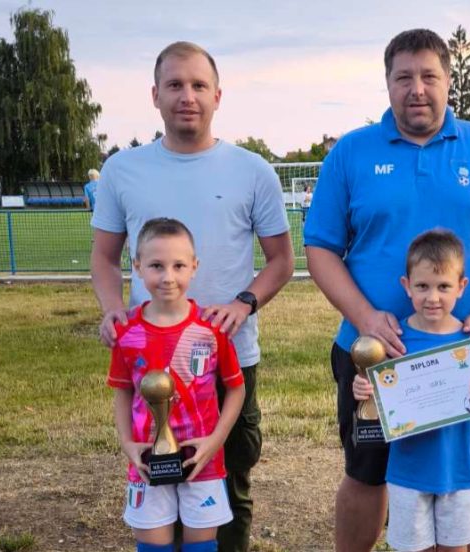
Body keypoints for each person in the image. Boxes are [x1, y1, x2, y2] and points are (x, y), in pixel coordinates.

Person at [303, 28, 470, 552]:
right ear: (387, 82)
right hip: (376, 352)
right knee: (366, 473)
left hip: (466, 350)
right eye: (403, 77)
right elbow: (320, 248)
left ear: (449, 81)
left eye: (429, 76)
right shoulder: (351, 152)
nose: (417, 89)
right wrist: (365, 318)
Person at [90, 41, 294, 552]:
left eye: (199, 85)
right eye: (175, 85)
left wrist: (244, 303)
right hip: (151, 359)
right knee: (158, 478)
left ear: (217, 96)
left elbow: (281, 261)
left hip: (226, 356)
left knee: (228, 483)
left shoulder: (252, 170)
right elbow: (104, 257)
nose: (188, 96)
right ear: (154, 95)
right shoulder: (122, 170)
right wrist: (113, 310)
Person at [352, 229, 470, 551]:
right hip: (408, 472)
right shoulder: (394, 342)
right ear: (406, 285)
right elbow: (379, 405)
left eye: (443, 286)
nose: (432, 297)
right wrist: (363, 389)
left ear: (462, 287)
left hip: (460, 471)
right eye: (422, 286)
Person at [108, 218, 246, 552]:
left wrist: (215, 441)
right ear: (137, 266)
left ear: (194, 267)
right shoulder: (127, 331)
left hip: (202, 460)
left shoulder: (211, 328)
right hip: (146, 461)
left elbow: (236, 389)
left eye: (178, 266)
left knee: (201, 546)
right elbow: (123, 392)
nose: (168, 277)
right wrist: (127, 444)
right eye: (156, 266)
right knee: (153, 546)